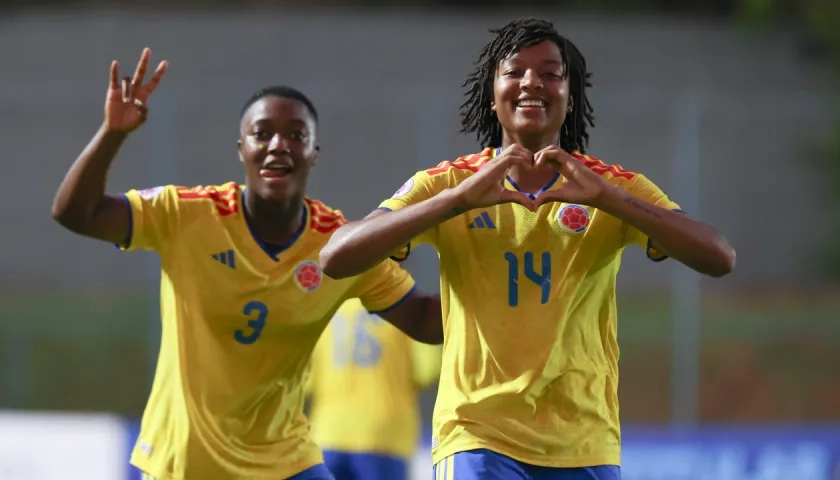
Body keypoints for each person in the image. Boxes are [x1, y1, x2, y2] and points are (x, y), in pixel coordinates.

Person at [318, 18, 736, 480]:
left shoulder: (610, 187)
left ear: (570, 96)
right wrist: (455, 202)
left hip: (585, 442)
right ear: (491, 93)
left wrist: (610, 201)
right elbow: (336, 257)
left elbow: (718, 257)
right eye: (514, 71)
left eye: (551, 73)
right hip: (476, 436)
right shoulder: (450, 184)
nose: (531, 82)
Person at [51, 48, 442, 480]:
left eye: (296, 135)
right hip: (184, 462)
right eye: (262, 133)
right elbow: (76, 213)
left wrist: (514, 299)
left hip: (284, 462)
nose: (279, 145)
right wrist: (112, 132)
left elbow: (425, 319)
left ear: (314, 152)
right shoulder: (186, 214)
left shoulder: (338, 245)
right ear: (242, 150)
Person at [307, 297, 441, 480]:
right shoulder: (405, 306)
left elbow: (305, 380)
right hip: (385, 434)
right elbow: (427, 370)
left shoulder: (327, 308)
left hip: (328, 432)